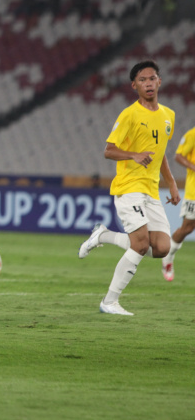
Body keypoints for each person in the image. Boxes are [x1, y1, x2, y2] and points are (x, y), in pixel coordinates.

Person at [78, 60, 180, 315]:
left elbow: (161, 154)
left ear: (159, 82)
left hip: (151, 190)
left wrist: (172, 186)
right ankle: (109, 301)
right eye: (143, 80)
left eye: (152, 78)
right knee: (140, 244)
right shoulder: (129, 114)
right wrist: (133, 155)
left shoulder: (169, 116)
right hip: (128, 186)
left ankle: (103, 236)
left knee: (162, 248)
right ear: (134, 85)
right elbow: (108, 151)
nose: (148, 83)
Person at [161, 124, 195, 280]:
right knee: (187, 228)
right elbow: (179, 156)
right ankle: (168, 256)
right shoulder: (192, 134)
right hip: (194, 192)